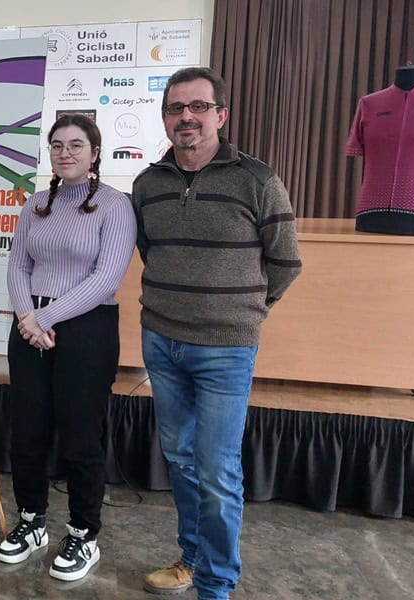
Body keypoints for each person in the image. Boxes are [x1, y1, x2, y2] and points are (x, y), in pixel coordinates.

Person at [133, 67, 301, 600]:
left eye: (198, 107)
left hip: (226, 351)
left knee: (217, 471)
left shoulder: (257, 180)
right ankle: (192, 558)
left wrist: (245, 311)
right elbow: (149, 251)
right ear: (164, 118)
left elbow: (285, 263)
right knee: (181, 460)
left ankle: (216, 585)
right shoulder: (146, 184)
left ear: (220, 115)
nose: (186, 117)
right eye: (176, 108)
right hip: (161, 342)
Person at [0, 114, 136, 581]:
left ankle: (83, 532)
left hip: (86, 328)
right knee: (28, 430)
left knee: (80, 435)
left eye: (76, 145)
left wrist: (45, 318)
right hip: (29, 325)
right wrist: (26, 319)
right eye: (57, 145)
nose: (65, 153)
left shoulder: (115, 206)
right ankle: (32, 521)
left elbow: (105, 279)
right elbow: (18, 266)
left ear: (95, 153)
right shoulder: (36, 204)